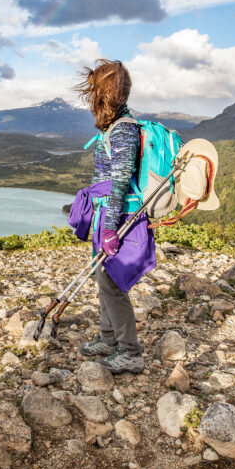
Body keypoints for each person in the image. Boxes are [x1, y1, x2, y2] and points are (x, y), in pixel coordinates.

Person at [71, 59, 156, 374]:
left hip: (119, 216)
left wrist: (109, 229)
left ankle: (130, 352)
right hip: (107, 213)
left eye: (95, 90)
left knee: (111, 280)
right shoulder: (115, 126)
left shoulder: (122, 131)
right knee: (102, 277)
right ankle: (108, 339)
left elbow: (120, 182)